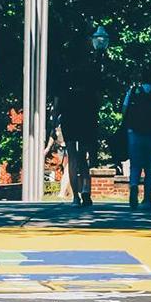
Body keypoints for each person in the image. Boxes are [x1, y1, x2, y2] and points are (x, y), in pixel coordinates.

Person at [55, 57, 99, 208]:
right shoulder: (88, 86)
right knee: (82, 157)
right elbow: (95, 105)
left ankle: (75, 196)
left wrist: (54, 124)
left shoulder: (64, 86)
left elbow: (57, 106)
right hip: (85, 120)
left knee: (72, 157)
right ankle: (86, 188)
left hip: (69, 121)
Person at [120, 67, 151, 210]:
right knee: (150, 167)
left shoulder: (133, 92)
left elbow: (124, 110)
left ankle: (133, 186)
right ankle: (147, 199)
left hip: (134, 132)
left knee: (135, 164)